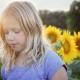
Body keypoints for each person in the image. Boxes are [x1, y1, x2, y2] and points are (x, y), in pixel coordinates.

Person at [0, 1, 68, 80]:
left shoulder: (50, 62)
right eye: (6, 32)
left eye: (16, 31)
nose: (9, 38)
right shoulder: (8, 65)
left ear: (33, 30)